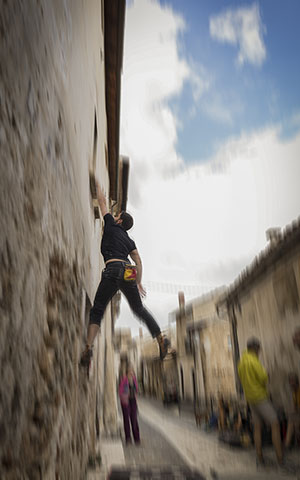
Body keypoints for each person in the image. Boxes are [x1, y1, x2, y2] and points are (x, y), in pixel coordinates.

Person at [80, 180, 170, 367]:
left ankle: (88, 347)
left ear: (119, 220)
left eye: (117, 215)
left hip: (112, 269)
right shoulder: (129, 240)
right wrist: (138, 282)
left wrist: (97, 184)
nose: (114, 215)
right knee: (139, 309)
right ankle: (160, 337)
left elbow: (103, 203)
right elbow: (138, 260)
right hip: (128, 271)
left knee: (98, 308)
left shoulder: (111, 225)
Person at [238, 337, 283, 467]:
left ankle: (260, 457)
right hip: (260, 397)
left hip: (250, 399)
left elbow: (242, 378)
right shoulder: (254, 361)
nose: (259, 352)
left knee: (257, 427)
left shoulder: (241, 361)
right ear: (256, 348)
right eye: (259, 349)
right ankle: (280, 459)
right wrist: (267, 373)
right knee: (275, 423)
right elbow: (263, 378)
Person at [119, 365, 140, 445]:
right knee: (126, 420)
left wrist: (134, 393)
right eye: (130, 372)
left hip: (133, 401)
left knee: (134, 419)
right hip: (125, 402)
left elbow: (136, 389)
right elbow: (120, 391)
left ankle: (137, 438)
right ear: (127, 373)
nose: (131, 373)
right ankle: (128, 438)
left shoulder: (134, 380)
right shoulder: (124, 380)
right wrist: (124, 396)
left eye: (132, 372)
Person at [285, 372, 300, 449]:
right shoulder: (294, 392)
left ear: (296, 381)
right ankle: (287, 443)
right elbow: (295, 405)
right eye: (289, 381)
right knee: (291, 420)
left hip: (298, 414)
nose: (290, 383)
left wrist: (295, 410)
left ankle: (287, 443)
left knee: (292, 421)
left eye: (292, 381)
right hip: (296, 414)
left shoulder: (298, 391)